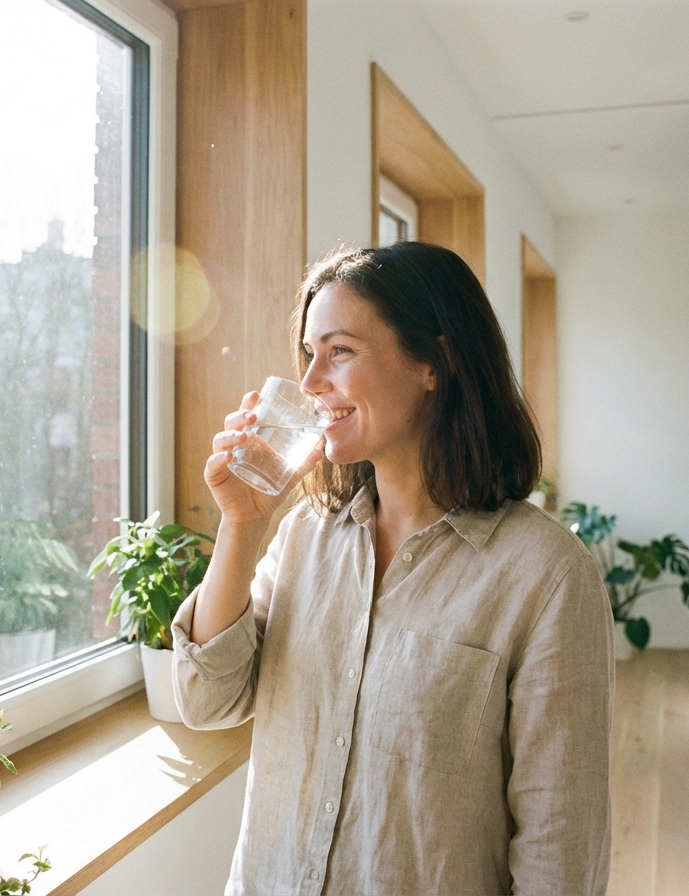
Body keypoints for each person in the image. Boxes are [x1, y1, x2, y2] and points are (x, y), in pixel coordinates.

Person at [171, 242, 613, 895]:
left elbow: (561, 855)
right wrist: (242, 525)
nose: (312, 381)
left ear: (435, 362)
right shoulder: (302, 536)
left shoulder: (545, 576)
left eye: (341, 351)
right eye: (308, 355)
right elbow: (206, 700)